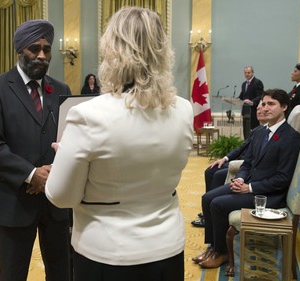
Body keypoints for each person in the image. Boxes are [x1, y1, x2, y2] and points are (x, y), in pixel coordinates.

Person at [46, 7, 193, 281]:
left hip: (107, 253)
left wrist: (63, 155)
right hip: (168, 247)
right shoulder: (184, 109)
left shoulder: (89, 115)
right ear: (161, 50)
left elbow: (61, 197)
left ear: (112, 51)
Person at [0, 20, 72, 281]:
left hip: (56, 198)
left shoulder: (61, 90)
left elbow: (69, 140)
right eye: (34, 48)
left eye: (46, 49)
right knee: (13, 273)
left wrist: (51, 174)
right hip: (15, 199)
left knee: (62, 271)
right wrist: (31, 174)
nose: (41, 55)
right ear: (20, 50)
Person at [193, 89, 300, 269]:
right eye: (264, 104)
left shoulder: (291, 138)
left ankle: (223, 253)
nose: (265, 108)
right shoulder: (260, 131)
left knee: (218, 205)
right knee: (207, 198)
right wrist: (241, 180)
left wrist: (250, 188)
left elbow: (283, 179)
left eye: (271, 104)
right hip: (249, 184)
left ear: (284, 107)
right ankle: (213, 247)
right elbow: (248, 163)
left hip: (268, 194)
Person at [192, 101, 268, 227]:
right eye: (258, 109)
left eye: (264, 108)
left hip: (245, 167)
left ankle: (209, 216)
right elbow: (241, 148)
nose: (260, 111)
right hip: (242, 164)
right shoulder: (257, 130)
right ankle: (208, 212)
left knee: (217, 175)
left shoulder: (271, 133)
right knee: (211, 169)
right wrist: (225, 158)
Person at [238, 66, 264, 139]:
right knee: (246, 132)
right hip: (245, 112)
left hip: (253, 111)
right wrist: (236, 99)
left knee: (254, 132)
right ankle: (246, 146)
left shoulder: (257, 82)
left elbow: (260, 96)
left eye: (248, 73)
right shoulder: (244, 84)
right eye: (245, 73)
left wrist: (251, 102)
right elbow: (242, 95)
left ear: (252, 72)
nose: (247, 74)